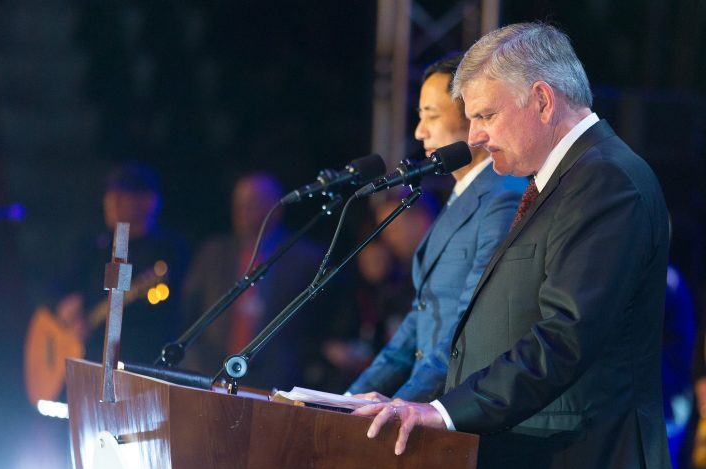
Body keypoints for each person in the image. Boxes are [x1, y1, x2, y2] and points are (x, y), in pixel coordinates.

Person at [354, 22, 672, 469]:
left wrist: (443, 411)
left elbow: (565, 335)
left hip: (584, 456)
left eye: (485, 116)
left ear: (542, 100)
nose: (476, 137)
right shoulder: (561, 181)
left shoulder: (605, 180)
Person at [346, 55, 524, 402]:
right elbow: (419, 320)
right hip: (426, 402)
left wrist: (404, 403)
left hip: (454, 407)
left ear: (473, 118)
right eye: (419, 116)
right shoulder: (460, 196)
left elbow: (469, 322)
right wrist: (348, 398)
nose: (419, 131)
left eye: (432, 115)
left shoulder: (502, 198)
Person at [180, 172, 328, 391]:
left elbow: (317, 324)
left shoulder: (305, 257)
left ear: (276, 209)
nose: (244, 211)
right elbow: (187, 311)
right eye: (239, 204)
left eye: (254, 203)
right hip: (211, 371)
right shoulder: (213, 253)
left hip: (276, 378)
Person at [56, 161, 189, 366]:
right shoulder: (94, 246)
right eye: (110, 195)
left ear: (149, 201)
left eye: (123, 195)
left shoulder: (167, 248)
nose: (112, 202)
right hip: (89, 358)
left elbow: (166, 313)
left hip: (137, 360)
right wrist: (68, 307)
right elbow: (57, 288)